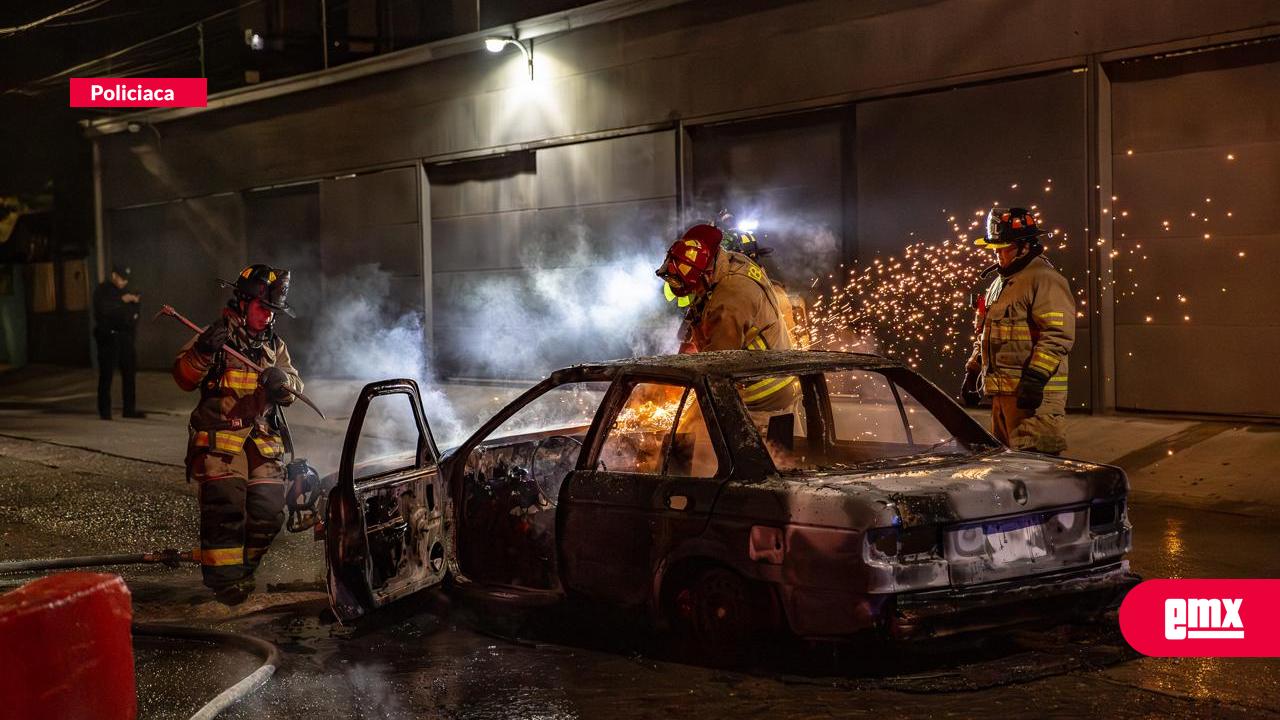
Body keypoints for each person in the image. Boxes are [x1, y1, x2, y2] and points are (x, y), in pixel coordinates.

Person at [172, 264, 303, 605]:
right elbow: (184, 376)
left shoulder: (275, 345)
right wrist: (203, 350)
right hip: (221, 442)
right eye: (262, 309)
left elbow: (294, 383)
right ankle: (225, 583)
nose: (268, 318)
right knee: (226, 506)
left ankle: (242, 571)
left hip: (260, 440)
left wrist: (282, 384)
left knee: (270, 513)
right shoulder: (217, 335)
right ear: (243, 303)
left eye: (273, 312)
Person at [963, 207, 1075, 454]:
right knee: (1008, 472)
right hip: (1003, 398)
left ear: (1025, 246)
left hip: (1035, 400)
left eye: (1004, 248)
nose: (998, 255)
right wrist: (972, 370)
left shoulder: (1044, 279)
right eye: (995, 249)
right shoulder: (999, 284)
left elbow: (1057, 334)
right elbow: (987, 332)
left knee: (1037, 472)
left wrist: (1035, 377)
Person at [657, 223, 797, 412]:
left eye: (694, 287)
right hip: (776, 387)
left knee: (697, 431)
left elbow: (714, 368)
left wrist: (687, 415)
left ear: (705, 275)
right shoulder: (730, 262)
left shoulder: (729, 302)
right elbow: (704, 303)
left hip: (761, 401)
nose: (693, 294)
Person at [92, 264, 143, 420]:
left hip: (125, 337)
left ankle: (129, 409)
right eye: (121, 278)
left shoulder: (128, 290)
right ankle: (105, 411)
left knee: (129, 374)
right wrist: (122, 300)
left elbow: (134, 313)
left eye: (125, 280)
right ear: (114, 275)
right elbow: (104, 310)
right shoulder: (103, 290)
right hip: (109, 338)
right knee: (106, 375)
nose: (123, 283)